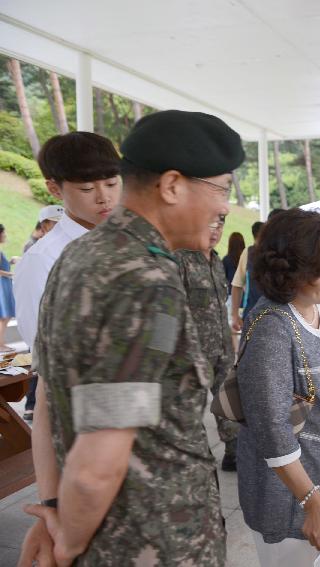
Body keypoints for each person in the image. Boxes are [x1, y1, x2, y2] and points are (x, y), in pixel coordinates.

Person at [18, 110, 244, 566]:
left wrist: (59, 514)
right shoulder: (145, 280)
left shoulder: (83, 256)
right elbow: (99, 460)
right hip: (150, 541)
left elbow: (57, 401)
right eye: (221, 189)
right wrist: (69, 540)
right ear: (172, 185)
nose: (224, 206)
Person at [236, 208, 320, 565]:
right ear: (294, 269)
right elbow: (271, 430)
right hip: (287, 498)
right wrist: (311, 501)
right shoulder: (271, 329)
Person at [13, 132, 121, 421]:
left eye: (111, 183)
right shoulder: (41, 260)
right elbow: (43, 349)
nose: (104, 197)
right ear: (54, 189)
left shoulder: (129, 244)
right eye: (87, 188)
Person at [176, 216, 239, 472]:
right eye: (210, 225)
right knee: (192, 408)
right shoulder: (180, 259)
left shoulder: (215, 261)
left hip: (222, 348)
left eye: (220, 226)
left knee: (228, 401)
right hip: (194, 352)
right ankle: (197, 459)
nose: (215, 232)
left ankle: (234, 451)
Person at [230, 220, 264, 331]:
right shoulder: (248, 253)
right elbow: (237, 285)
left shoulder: (281, 254)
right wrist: (234, 315)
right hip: (251, 315)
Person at [0, 224, 13, 350]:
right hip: (2, 284)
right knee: (5, 315)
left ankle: (1, 343)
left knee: (5, 316)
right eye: (4, 232)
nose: (5, 235)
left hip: (4, 283)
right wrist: (13, 274)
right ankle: (0, 344)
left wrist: (10, 262)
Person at [223, 231, 246, 296]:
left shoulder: (226, 260)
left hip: (231, 295)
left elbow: (222, 280)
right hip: (246, 295)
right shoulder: (247, 258)